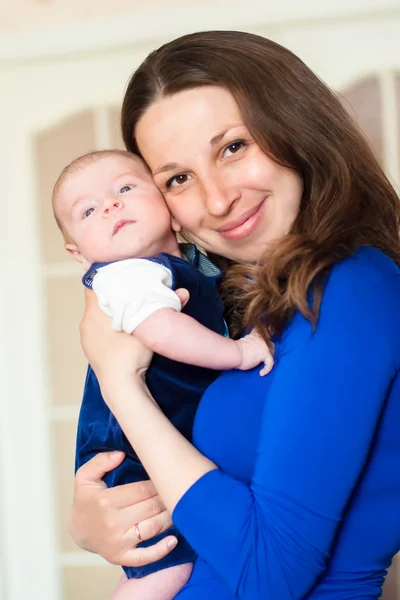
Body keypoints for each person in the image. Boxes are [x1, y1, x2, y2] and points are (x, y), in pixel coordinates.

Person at [69, 30, 400, 599]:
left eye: (232, 147)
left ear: (294, 128)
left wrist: (122, 384)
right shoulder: (239, 311)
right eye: (177, 178)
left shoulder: (351, 286)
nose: (217, 200)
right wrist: (96, 523)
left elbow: (268, 575)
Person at [52, 149, 273, 598]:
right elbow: (163, 330)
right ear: (79, 254)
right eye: (89, 210)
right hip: (128, 452)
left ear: (168, 210)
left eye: (125, 189)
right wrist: (237, 353)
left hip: (160, 438)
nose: (111, 205)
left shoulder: (194, 267)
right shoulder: (125, 277)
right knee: (162, 569)